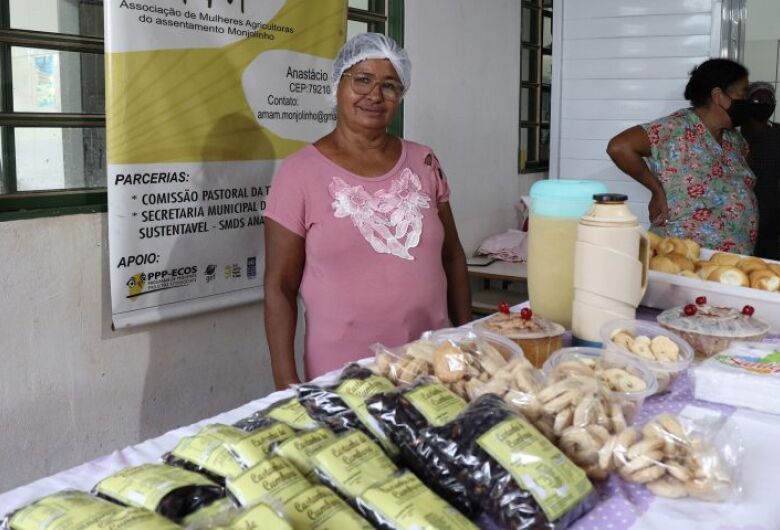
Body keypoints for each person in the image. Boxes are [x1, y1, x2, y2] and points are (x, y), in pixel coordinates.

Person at [263, 33, 471, 389]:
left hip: (432, 364)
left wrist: (468, 338)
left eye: (389, 85)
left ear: (400, 96)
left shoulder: (423, 160)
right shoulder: (299, 173)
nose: (374, 95)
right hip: (343, 374)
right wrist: (285, 381)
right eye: (362, 80)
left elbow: (452, 256)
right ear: (338, 84)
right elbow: (280, 286)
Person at [607, 59, 759, 254]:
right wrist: (656, 190)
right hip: (682, 257)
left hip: (729, 261)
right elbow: (619, 147)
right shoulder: (675, 128)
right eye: (743, 92)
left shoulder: (735, 140)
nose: (748, 100)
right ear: (719, 96)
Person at [741, 82, 780, 260]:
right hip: (744, 207)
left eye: (769, 100)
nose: (764, 104)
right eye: (758, 99)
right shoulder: (736, 134)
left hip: (773, 208)